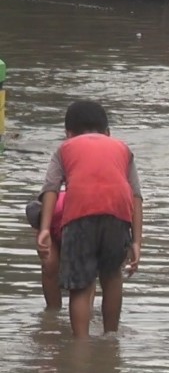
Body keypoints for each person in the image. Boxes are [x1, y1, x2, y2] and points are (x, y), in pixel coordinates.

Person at [36, 100, 144, 338]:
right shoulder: (122, 149)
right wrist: (137, 241)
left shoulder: (65, 148)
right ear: (108, 132)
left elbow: (51, 188)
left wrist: (44, 229)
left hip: (80, 214)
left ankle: (81, 346)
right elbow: (136, 195)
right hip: (118, 215)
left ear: (68, 133)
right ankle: (111, 339)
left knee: (81, 288)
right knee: (112, 277)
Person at [26, 190, 67, 310]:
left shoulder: (59, 206)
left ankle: (87, 311)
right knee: (48, 264)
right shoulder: (42, 223)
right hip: (51, 231)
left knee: (83, 267)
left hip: (76, 221)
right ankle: (53, 310)